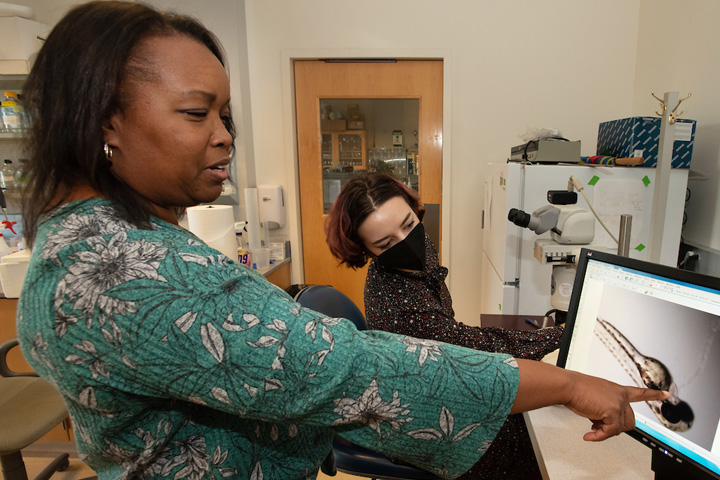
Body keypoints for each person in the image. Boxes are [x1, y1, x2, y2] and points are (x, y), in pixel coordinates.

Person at [17, 2, 668, 480]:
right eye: (196, 113)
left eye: (226, 116)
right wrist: (565, 383)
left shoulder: (71, 242)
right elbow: (353, 371)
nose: (224, 137)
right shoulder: (132, 267)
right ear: (105, 118)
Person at [325, 171, 561, 478]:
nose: (405, 242)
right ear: (367, 250)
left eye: (408, 224)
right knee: (530, 437)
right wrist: (556, 336)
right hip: (424, 413)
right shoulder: (398, 303)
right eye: (385, 243)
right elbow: (469, 349)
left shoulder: (419, 247)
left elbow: (453, 337)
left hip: (435, 375)